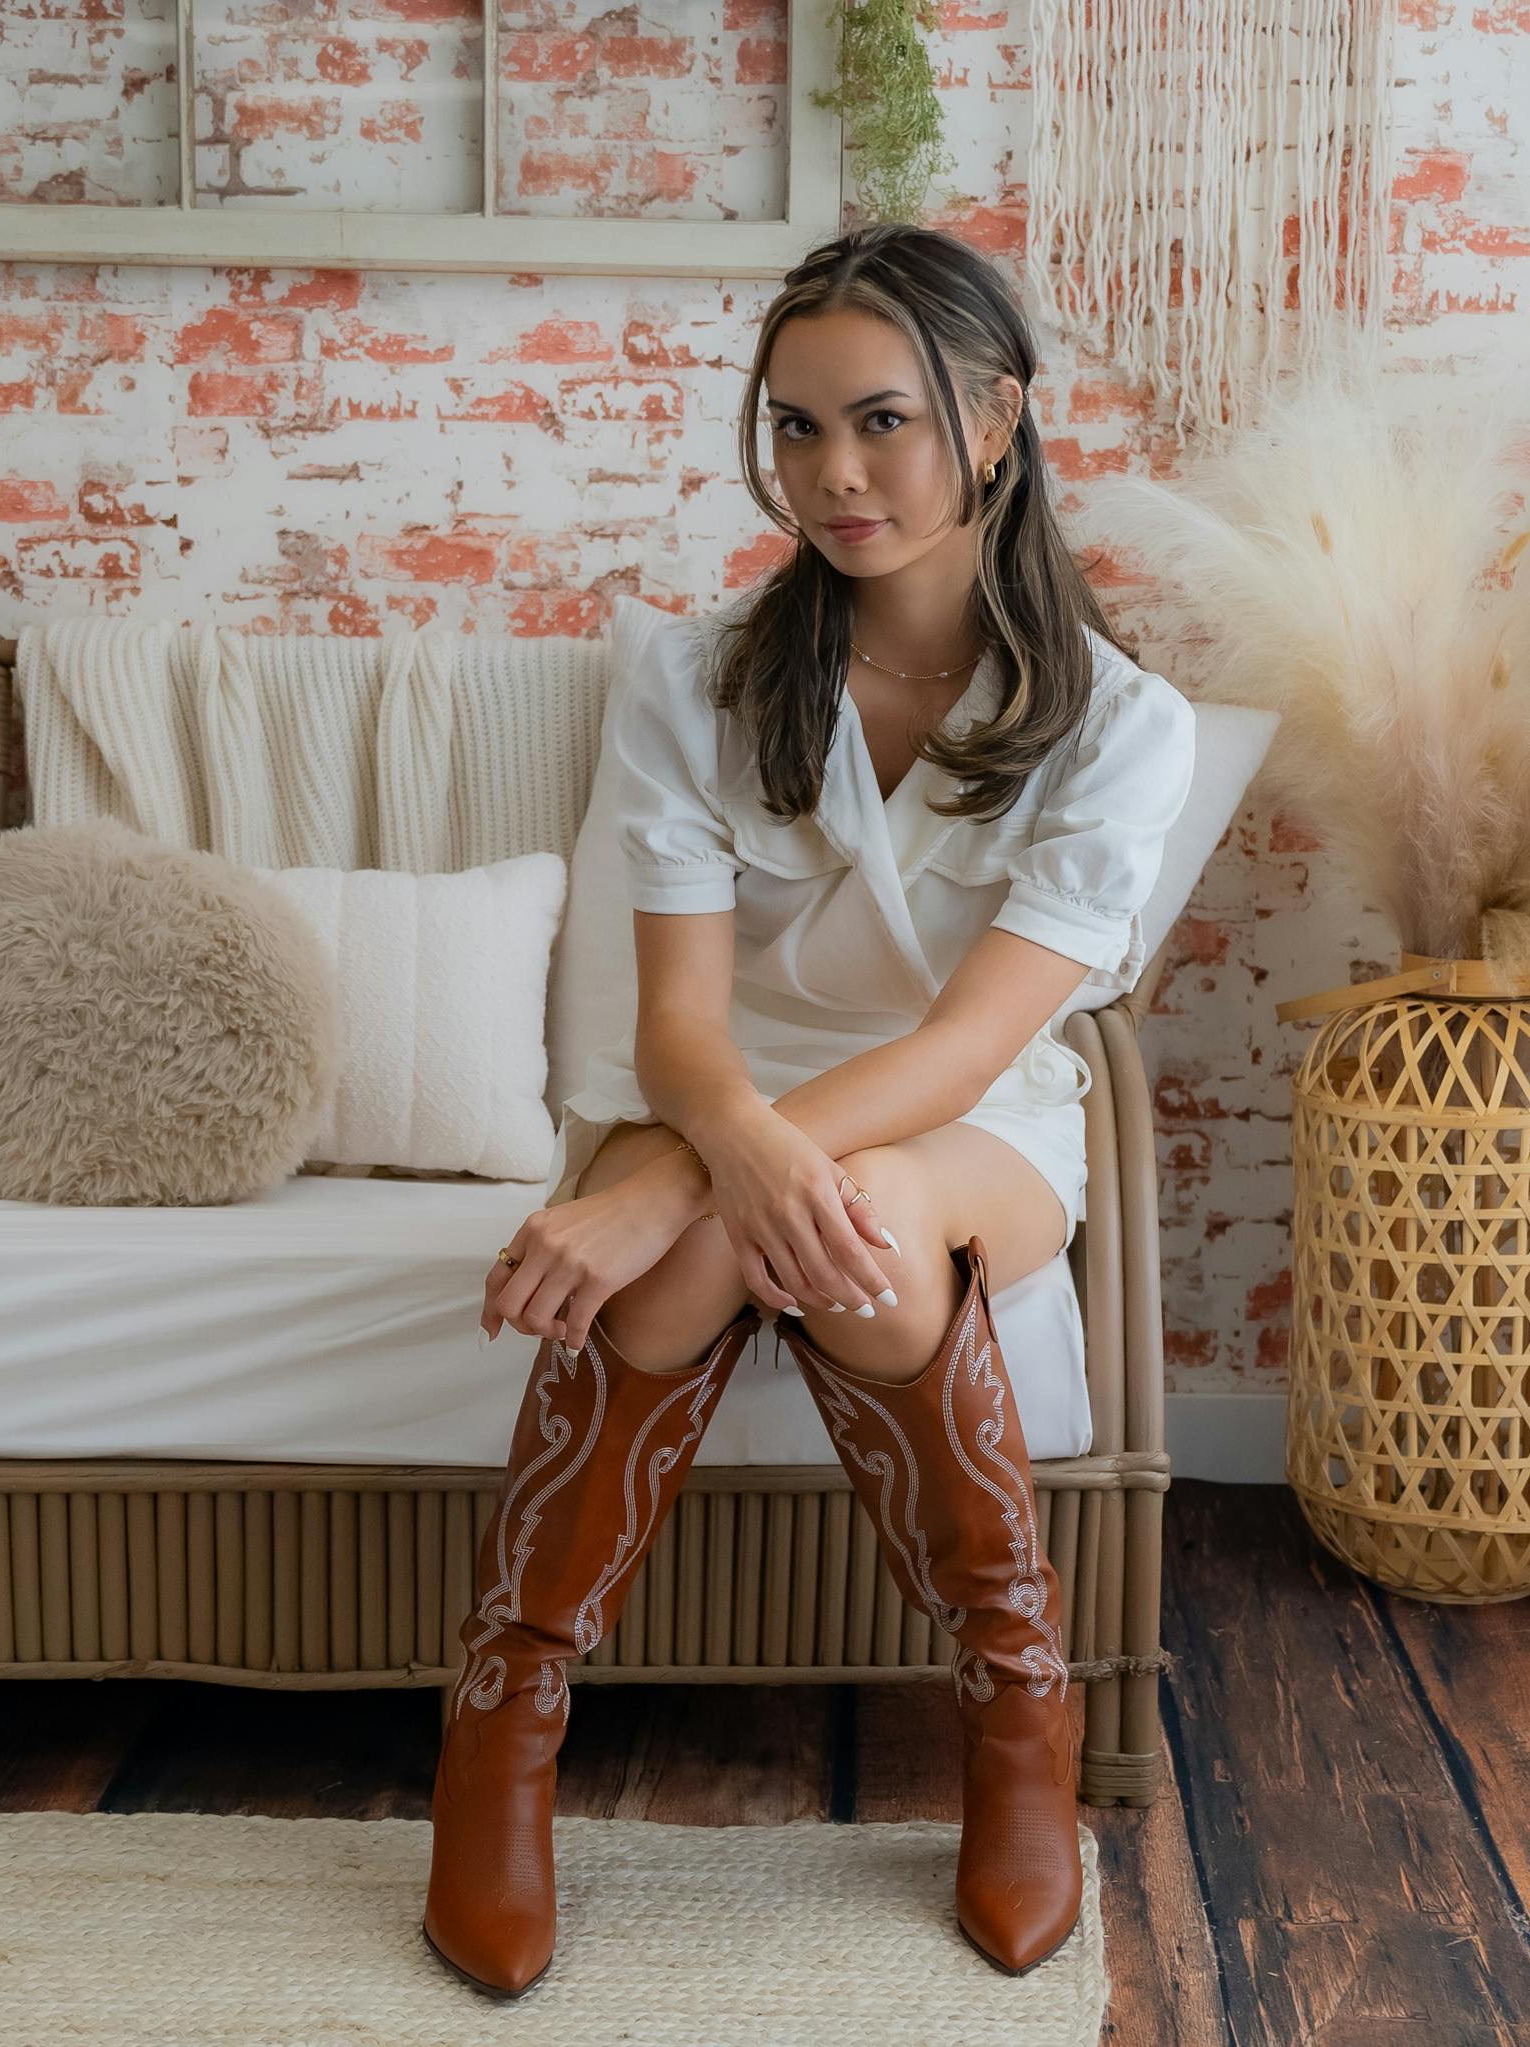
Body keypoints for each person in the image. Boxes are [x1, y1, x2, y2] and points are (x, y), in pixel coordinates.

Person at [420, 222, 1197, 2001]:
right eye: (791, 427)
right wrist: (708, 1160)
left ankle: (1016, 1710)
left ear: (995, 420)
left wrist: (702, 1179)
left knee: (858, 1239)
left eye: (882, 423)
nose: (830, 476)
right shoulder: (693, 680)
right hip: (712, 1091)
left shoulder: (1119, 726)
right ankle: (505, 1724)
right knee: (675, 1276)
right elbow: (684, 1023)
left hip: (974, 1119)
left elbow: (969, 1041)